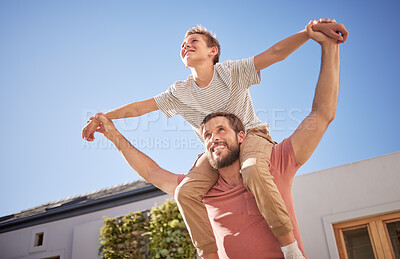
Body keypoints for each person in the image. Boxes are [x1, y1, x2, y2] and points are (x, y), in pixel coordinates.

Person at [82, 20, 348, 258]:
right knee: (185, 192)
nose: (186, 46)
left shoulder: (231, 73)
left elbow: (275, 54)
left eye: (193, 42)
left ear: (213, 51)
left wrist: (308, 34)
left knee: (253, 168)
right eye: (183, 45)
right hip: (214, 155)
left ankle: (290, 248)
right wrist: (105, 118)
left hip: (252, 136)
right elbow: (142, 108)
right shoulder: (180, 92)